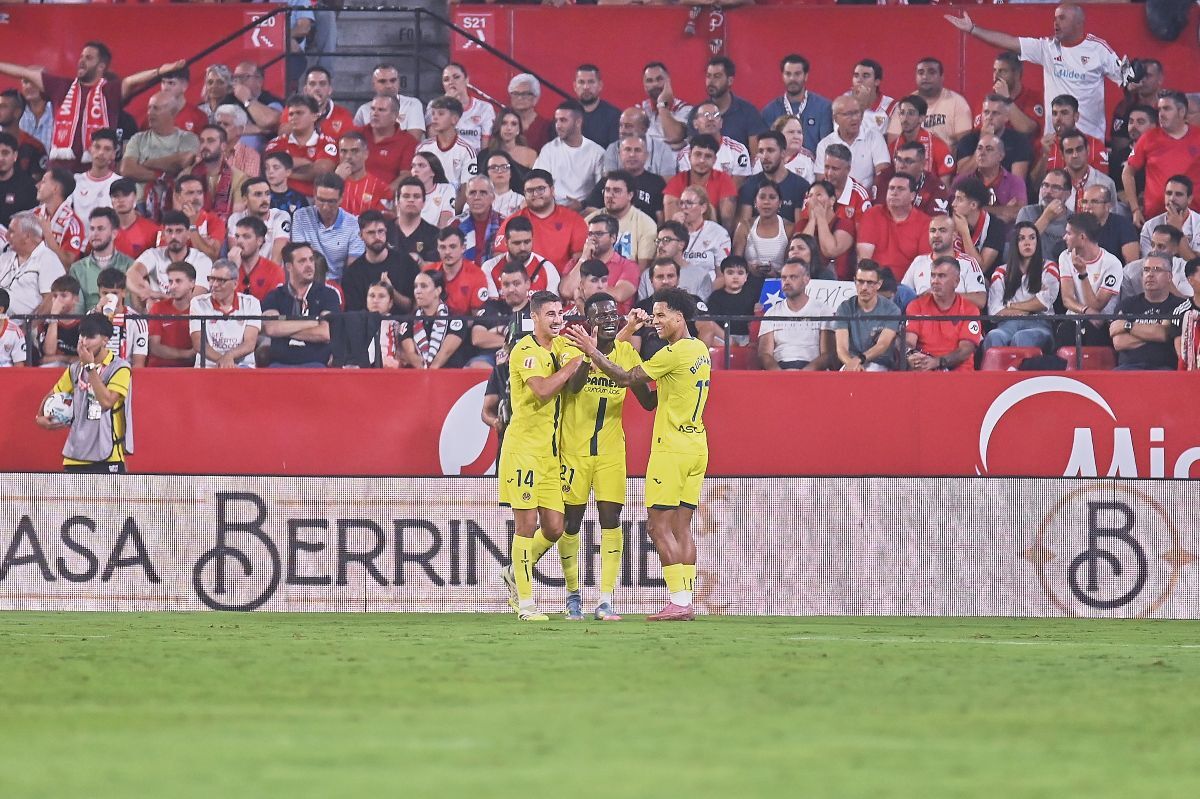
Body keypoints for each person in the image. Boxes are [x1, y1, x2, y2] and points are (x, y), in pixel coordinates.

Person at [563, 288, 710, 621]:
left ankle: (679, 601)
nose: (654, 322)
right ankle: (685, 599)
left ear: (679, 317)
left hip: (671, 448)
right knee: (682, 527)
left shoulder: (673, 353)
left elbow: (628, 377)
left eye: (660, 315)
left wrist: (590, 350)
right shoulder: (700, 350)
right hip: (697, 444)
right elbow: (650, 399)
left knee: (658, 528)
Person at [555, 292, 656, 621]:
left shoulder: (627, 352)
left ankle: (606, 600)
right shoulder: (574, 348)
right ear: (589, 321)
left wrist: (648, 378)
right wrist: (588, 355)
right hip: (575, 450)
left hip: (612, 452)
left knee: (611, 521)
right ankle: (572, 595)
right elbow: (573, 389)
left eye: (613, 314)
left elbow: (646, 401)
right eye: (601, 316)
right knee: (571, 524)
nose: (610, 320)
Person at [497, 290, 585, 621]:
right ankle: (525, 603)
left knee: (553, 527)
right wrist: (572, 366)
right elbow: (543, 390)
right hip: (523, 451)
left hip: (550, 455)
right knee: (525, 525)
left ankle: (514, 571)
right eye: (550, 314)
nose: (557, 318)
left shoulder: (562, 346)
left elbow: (586, 362)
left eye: (559, 312)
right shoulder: (525, 350)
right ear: (534, 317)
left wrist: (585, 351)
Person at [946, 3, 1124, 141]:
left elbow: (1127, 79)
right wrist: (973, 29)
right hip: (1054, 140)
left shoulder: (1099, 50)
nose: (1056, 23)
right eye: (1055, 18)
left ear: (1078, 22)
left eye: (1062, 18)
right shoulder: (1047, 48)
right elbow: (1010, 42)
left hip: (1089, 140)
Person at [0, 41, 180, 168]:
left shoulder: (110, 91)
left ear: (101, 66)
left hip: (95, 174)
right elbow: (22, 72)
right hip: (59, 174)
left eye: (88, 57)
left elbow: (131, 81)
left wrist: (159, 71)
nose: (81, 60)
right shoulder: (60, 87)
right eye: (81, 56)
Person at [35, 312, 134, 473]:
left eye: (90, 337)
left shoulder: (120, 368)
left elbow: (107, 402)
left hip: (108, 455)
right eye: (82, 336)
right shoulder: (75, 369)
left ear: (105, 340)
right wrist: (39, 418)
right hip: (75, 456)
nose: (84, 342)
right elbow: (51, 396)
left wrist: (90, 367)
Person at [1122, 91, 1200, 226]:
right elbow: (1127, 172)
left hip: (1194, 220)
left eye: (1167, 109)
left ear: (1181, 111)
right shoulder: (1148, 138)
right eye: (1159, 109)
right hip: (1154, 219)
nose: (1161, 114)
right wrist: (1135, 209)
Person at [984, 221, 1061, 354]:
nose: (1027, 243)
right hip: (1007, 325)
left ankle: (1015, 373)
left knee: (1022, 337)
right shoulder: (1001, 272)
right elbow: (995, 310)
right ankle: (995, 375)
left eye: (1032, 238)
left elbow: (1042, 303)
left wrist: (1010, 305)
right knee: (994, 336)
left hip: (1039, 323)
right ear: (1014, 243)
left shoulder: (1049, 267)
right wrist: (1028, 308)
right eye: (1021, 238)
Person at [261, 242, 340, 368]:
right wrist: (312, 322)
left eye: (311, 260)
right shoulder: (274, 296)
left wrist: (284, 329)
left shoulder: (329, 295)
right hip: (279, 365)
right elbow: (271, 328)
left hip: (316, 365)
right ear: (289, 266)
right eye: (302, 261)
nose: (309, 265)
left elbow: (325, 333)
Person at [904, 257, 983, 372]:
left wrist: (938, 362)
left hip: (959, 375)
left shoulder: (970, 310)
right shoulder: (916, 305)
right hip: (925, 370)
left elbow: (965, 350)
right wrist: (911, 355)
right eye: (933, 275)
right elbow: (909, 341)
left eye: (941, 276)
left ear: (956, 281)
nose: (934, 281)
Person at [496, 170, 587, 269]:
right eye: (530, 191)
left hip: (563, 280)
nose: (535, 194)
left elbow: (580, 260)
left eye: (540, 189)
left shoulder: (573, 219)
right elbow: (499, 256)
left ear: (552, 190)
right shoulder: (512, 221)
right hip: (523, 279)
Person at [1057, 211, 1121, 347]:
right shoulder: (1065, 256)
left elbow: (1096, 306)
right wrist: (1085, 310)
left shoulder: (1112, 263)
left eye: (1068, 233)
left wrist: (1083, 274)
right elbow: (1067, 299)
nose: (1064, 237)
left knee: (1090, 331)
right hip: (1074, 320)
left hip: (1102, 324)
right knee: (1065, 331)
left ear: (1081, 237)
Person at [1108, 253, 1182, 370]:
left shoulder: (1179, 306)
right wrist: (1154, 333)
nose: (1150, 275)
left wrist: (1126, 326)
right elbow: (1119, 342)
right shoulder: (1127, 305)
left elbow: (1162, 334)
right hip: (1128, 368)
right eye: (1146, 270)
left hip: (1164, 369)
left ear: (1169, 276)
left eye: (1157, 270)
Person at [758, 259, 835, 371]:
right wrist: (779, 374)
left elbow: (828, 353)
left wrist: (803, 374)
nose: (787, 282)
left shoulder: (823, 311)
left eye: (793, 277)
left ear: (806, 279)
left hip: (813, 371)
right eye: (784, 278)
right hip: (780, 369)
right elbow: (765, 354)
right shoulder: (772, 312)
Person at [119, 92, 200, 197]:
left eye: (156, 108)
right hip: (140, 203)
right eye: (149, 108)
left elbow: (184, 160)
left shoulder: (188, 138)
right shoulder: (138, 139)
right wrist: (162, 176)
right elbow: (127, 169)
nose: (149, 112)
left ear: (172, 112)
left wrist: (147, 163)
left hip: (174, 201)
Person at [128, 210, 212, 309]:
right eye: (169, 231)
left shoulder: (202, 260)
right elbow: (131, 274)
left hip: (187, 316)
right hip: (156, 313)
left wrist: (159, 296)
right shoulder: (153, 254)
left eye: (179, 231)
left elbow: (194, 300)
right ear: (163, 234)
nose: (173, 236)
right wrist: (145, 292)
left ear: (188, 234)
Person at [289, 173, 363, 282]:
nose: (325, 207)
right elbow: (300, 256)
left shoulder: (354, 224)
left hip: (339, 283)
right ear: (314, 195)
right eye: (321, 200)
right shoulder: (300, 217)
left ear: (341, 198)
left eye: (331, 201)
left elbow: (354, 268)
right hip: (307, 279)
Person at [856, 174, 932, 281]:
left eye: (900, 189)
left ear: (912, 196)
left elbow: (923, 265)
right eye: (891, 188)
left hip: (908, 287)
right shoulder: (872, 214)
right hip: (875, 283)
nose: (894, 192)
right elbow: (864, 259)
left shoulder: (925, 223)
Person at [902, 214, 986, 309]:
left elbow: (980, 300)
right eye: (932, 231)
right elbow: (902, 295)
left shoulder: (968, 263)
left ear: (954, 236)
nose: (936, 235)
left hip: (956, 321)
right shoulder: (918, 262)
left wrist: (945, 295)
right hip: (923, 321)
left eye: (942, 230)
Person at [188, 259, 260, 369]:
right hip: (207, 367)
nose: (214, 285)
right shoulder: (198, 303)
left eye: (221, 280)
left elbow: (249, 343)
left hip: (242, 367)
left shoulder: (251, 303)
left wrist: (229, 356)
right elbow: (198, 343)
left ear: (235, 284)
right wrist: (223, 360)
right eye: (211, 279)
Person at [341, 210, 417, 313]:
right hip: (367, 327)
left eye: (381, 231)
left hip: (403, 326)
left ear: (386, 231)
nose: (377, 237)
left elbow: (413, 307)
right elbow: (354, 315)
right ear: (360, 235)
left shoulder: (406, 263)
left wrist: (391, 291)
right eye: (371, 232)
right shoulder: (352, 273)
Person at [561, 214, 639, 312]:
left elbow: (619, 294)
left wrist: (583, 292)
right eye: (590, 234)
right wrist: (584, 257)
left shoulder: (628, 266)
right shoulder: (575, 263)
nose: (592, 238)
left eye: (599, 234)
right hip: (573, 323)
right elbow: (566, 291)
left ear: (613, 238)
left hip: (613, 322)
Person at [264, 94, 339, 197]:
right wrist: (307, 164)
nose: (294, 117)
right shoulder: (275, 144)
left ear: (314, 116)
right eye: (291, 114)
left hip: (314, 201)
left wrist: (285, 171)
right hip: (280, 200)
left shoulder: (328, 143)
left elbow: (321, 172)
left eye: (299, 113)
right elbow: (270, 172)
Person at [834, 260, 901, 372]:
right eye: (860, 281)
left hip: (880, 364)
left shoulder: (892, 310)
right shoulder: (845, 308)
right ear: (855, 281)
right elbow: (841, 348)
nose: (864, 287)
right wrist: (851, 363)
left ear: (879, 284)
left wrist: (859, 360)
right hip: (851, 363)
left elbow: (882, 345)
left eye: (870, 283)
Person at [583, 170, 658, 269]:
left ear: (630, 195)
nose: (610, 195)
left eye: (617, 191)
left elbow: (642, 269)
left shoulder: (646, 224)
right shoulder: (589, 221)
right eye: (607, 190)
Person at [760, 54, 833, 153]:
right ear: (782, 76)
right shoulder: (770, 111)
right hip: (781, 166)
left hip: (814, 166)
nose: (792, 79)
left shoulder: (823, 107)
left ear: (806, 76)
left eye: (797, 74)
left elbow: (826, 147)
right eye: (788, 74)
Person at [815, 96, 889, 193]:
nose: (855, 118)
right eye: (848, 114)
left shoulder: (874, 137)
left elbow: (883, 174)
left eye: (857, 113)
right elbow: (822, 180)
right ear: (835, 118)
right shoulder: (824, 144)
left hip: (866, 199)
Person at [891, 57, 972, 145]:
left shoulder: (957, 102)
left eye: (931, 72)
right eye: (921, 73)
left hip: (946, 156)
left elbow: (964, 146)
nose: (925, 77)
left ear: (942, 77)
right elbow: (893, 142)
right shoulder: (904, 105)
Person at [398, 269, 468, 370]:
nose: (418, 291)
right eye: (416, 286)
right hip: (417, 377)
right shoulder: (408, 321)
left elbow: (445, 352)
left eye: (423, 286)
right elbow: (411, 354)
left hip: (449, 378)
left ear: (438, 291)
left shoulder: (456, 319)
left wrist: (431, 376)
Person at [663, 135, 737, 229]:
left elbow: (727, 224)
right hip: (682, 236)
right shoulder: (676, 182)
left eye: (708, 156)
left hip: (713, 236)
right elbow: (670, 224)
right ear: (689, 156)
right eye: (698, 154)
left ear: (714, 160)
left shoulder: (725, 180)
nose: (702, 160)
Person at [738, 130, 809, 227]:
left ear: (783, 153)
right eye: (761, 151)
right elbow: (744, 226)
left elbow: (800, 229)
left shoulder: (801, 186)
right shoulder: (750, 184)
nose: (765, 156)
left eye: (770, 150)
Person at [0, 210, 65, 317]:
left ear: (27, 236)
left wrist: (28, 328)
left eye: (11, 232)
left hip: (24, 328)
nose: (6, 235)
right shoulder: (4, 258)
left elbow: (51, 300)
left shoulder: (48, 259)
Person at [952, 134, 1027, 224]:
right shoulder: (962, 180)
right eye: (979, 148)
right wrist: (1002, 211)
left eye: (989, 149)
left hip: (1005, 236)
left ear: (1001, 156)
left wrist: (974, 208)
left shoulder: (1015, 182)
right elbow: (953, 211)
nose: (982, 153)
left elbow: (1016, 212)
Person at [1034, 95, 1109, 185]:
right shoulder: (1043, 145)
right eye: (1055, 113)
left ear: (1076, 116)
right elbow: (1035, 185)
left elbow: (1102, 183)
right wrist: (1045, 156)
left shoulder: (1094, 145)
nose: (1058, 118)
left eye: (1064, 113)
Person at [955, 95, 1033, 181]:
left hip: (1005, 191)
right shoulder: (967, 140)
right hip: (974, 192)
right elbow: (962, 178)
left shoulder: (1019, 141)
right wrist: (983, 142)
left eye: (995, 113)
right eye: (986, 112)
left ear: (1006, 117)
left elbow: (1017, 182)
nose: (989, 117)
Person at [886, 96, 956, 191]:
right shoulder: (893, 146)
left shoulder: (938, 146)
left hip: (930, 198)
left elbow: (945, 187)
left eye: (911, 113)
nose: (905, 118)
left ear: (922, 118)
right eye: (902, 113)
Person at [471, 262, 531, 370]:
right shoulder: (491, 306)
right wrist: (512, 341)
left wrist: (498, 330)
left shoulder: (536, 310)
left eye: (516, 284)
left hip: (526, 358)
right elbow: (477, 338)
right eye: (506, 285)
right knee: (477, 366)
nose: (511, 289)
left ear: (527, 284)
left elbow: (534, 341)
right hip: (490, 358)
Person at [70, 207, 133, 311]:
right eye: (92, 228)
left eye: (100, 228)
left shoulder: (130, 266)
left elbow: (130, 309)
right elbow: (77, 312)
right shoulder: (77, 269)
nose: (94, 234)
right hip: (89, 325)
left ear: (114, 234)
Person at [482, 215, 560, 297]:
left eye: (527, 242)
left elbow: (553, 306)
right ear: (505, 242)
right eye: (517, 243)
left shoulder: (547, 268)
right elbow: (492, 307)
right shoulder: (489, 268)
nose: (522, 248)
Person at [796, 178, 857, 281]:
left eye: (818, 195)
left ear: (832, 200)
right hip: (805, 282)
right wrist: (812, 222)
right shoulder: (802, 224)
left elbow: (830, 251)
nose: (814, 200)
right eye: (810, 196)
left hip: (839, 285)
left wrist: (821, 218)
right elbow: (799, 252)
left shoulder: (845, 224)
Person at [680, 101, 753, 185]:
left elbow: (734, 189)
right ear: (695, 124)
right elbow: (689, 188)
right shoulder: (685, 155)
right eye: (706, 115)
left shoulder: (738, 150)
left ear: (721, 123)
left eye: (716, 115)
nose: (711, 119)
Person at [417, 95, 478, 194]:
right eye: (433, 114)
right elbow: (417, 183)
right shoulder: (423, 148)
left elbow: (466, 190)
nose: (435, 118)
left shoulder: (467, 151)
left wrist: (451, 209)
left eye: (441, 114)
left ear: (454, 119)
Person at [423, 227, 488, 316]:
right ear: (437, 249)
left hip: (464, 327)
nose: (447, 252)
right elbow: (419, 308)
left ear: (463, 248)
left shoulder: (477, 275)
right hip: (430, 325)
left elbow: (477, 318)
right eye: (442, 247)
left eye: (452, 247)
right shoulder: (427, 272)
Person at [357, 95, 417, 192]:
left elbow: (405, 175)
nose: (374, 114)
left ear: (395, 115)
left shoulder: (408, 142)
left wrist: (382, 194)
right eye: (372, 109)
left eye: (381, 110)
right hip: (354, 195)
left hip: (386, 199)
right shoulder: (357, 135)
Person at [875, 140, 950, 217]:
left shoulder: (935, 186)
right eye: (898, 159)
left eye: (908, 161)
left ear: (922, 164)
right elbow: (877, 216)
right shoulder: (884, 178)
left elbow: (937, 222)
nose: (901, 166)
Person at [352, 63, 425, 140]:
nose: (389, 86)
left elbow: (413, 140)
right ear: (374, 85)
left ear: (399, 82)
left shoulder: (412, 104)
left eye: (393, 80)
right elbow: (355, 141)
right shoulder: (363, 110)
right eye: (383, 81)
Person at [733, 182, 791, 277]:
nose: (766, 202)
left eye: (772, 197)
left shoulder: (788, 227)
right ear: (755, 202)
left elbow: (792, 264)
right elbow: (736, 261)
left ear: (780, 203)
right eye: (762, 197)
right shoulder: (744, 226)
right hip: (748, 280)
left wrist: (776, 273)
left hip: (780, 282)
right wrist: (749, 268)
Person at [950, 177, 1007, 274]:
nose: (953, 204)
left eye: (959, 199)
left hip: (983, 282)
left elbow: (980, 268)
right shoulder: (949, 222)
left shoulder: (996, 227)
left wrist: (964, 233)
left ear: (973, 205)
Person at [147, 261, 198, 368]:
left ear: (192, 283)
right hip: (159, 370)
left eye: (178, 281)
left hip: (191, 372)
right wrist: (188, 354)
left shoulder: (200, 310)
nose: (173, 286)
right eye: (170, 282)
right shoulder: (158, 308)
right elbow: (154, 347)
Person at [227, 178, 290, 265]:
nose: (265, 199)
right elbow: (237, 257)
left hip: (273, 273)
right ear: (245, 199)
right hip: (245, 274)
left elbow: (277, 260)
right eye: (258, 194)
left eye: (267, 194)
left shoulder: (280, 217)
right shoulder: (235, 219)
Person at [602, 108, 678, 179]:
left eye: (628, 126)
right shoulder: (612, 148)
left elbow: (668, 183)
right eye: (621, 125)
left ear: (644, 129)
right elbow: (609, 181)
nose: (622, 131)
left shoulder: (663, 149)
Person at [435, 63, 494, 152]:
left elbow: (485, 147)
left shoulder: (484, 108)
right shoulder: (435, 106)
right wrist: (445, 104)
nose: (451, 82)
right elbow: (432, 139)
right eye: (446, 79)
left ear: (466, 80)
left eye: (456, 77)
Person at [1016, 168, 1072, 261]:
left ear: (1068, 194)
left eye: (1055, 187)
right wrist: (1046, 217)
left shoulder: (1073, 220)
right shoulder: (1027, 212)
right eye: (1045, 185)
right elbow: (1019, 247)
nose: (1048, 191)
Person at [1140, 176, 1200, 260]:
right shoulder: (1149, 226)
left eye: (1178, 194)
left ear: (1189, 199)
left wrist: (1177, 230)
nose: (1172, 198)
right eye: (1168, 193)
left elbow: (1196, 265)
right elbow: (1149, 262)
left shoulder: (1198, 223)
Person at [34, 168, 84, 266]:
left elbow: (68, 264)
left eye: (43, 181)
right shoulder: (33, 215)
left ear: (55, 188)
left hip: (58, 279)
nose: (37, 185)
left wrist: (48, 236)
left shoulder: (73, 224)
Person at [1078, 185, 1140, 265]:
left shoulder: (1123, 226)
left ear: (1108, 206)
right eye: (1084, 202)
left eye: (1094, 202)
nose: (1088, 206)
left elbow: (1132, 265)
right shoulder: (1077, 226)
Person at [230, 61, 284, 152]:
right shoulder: (229, 99)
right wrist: (260, 129)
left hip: (261, 159)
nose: (238, 82)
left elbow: (269, 122)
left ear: (259, 81)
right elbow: (224, 130)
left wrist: (247, 100)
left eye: (244, 77)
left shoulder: (270, 100)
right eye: (235, 78)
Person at [228, 216, 285, 302]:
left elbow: (273, 306)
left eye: (246, 237)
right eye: (237, 236)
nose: (239, 241)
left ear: (259, 241)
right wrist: (232, 269)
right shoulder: (224, 269)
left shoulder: (274, 271)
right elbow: (222, 302)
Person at [68, 127, 119, 223]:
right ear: (90, 149)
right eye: (97, 147)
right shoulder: (74, 181)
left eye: (107, 149)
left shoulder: (119, 183)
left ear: (114, 154)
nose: (101, 153)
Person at [334, 131, 390, 217]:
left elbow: (386, 220)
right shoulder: (330, 183)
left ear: (366, 154)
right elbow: (320, 214)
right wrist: (336, 181)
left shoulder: (380, 187)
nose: (348, 156)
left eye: (354, 151)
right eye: (344, 151)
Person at [705, 255, 757, 346]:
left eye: (740, 273)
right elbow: (711, 323)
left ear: (746, 277)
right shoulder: (715, 297)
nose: (735, 277)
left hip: (746, 337)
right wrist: (730, 340)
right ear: (723, 275)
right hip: (723, 337)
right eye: (730, 273)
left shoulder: (753, 296)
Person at [639, 61, 692, 148]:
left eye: (659, 79)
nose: (655, 84)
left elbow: (673, 136)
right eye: (649, 81)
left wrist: (662, 105)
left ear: (668, 81)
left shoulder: (685, 109)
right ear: (644, 85)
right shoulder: (639, 111)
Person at [388, 176, 440, 265]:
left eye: (416, 196)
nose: (411, 200)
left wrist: (421, 262)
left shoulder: (435, 234)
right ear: (398, 201)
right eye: (406, 196)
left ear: (424, 203)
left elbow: (436, 269)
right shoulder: (383, 231)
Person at [454, 176, 501, 264]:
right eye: (472, 193)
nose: (477, 197)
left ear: (492, 197)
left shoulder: (504, 223)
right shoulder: (454, 224)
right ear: (466, 198)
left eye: (483, 193)